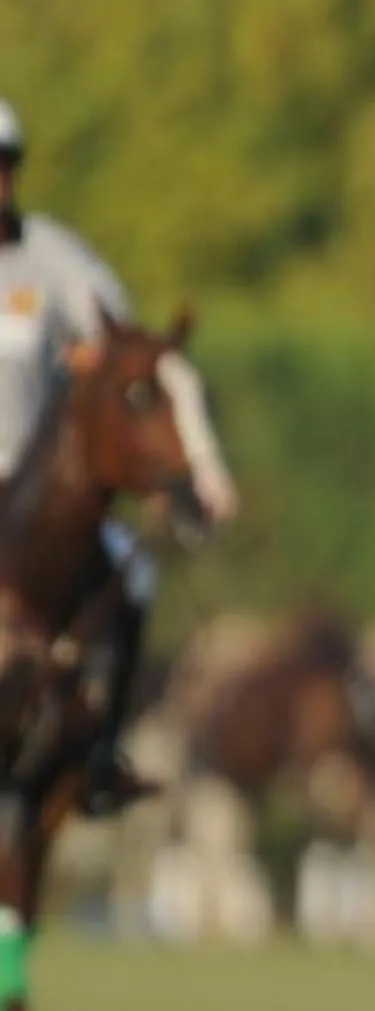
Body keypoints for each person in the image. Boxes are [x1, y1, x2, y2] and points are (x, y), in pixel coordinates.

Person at [0, 96, 236, 811]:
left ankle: (100, 752)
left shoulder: (51, 257)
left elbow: (128, 348)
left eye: (5, 167)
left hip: (33, 488)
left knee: (134, 589)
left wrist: (102, 362)